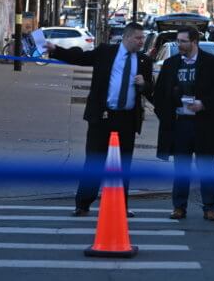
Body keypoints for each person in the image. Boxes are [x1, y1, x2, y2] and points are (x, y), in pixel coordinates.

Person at [45, 22, 153, 217]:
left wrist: (144, 84)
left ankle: (121, 205)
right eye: (138, 38)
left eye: (142, 38)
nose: (141, 41)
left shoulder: (144, 61)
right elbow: (81, 58)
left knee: (123, 164)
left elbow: (150, 90)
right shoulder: (106, 52)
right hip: (102, 117)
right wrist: (56, 50)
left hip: (127, 119)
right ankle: (83, 203)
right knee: (95, 160)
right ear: (127, 37)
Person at [154, 26, 214, 221]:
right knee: (181, 168)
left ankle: (210, 207)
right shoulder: (171, 64)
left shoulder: (212, 63)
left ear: (194, 42)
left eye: (183, 41)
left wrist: (204, 104)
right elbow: (159, 94)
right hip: (180, 124)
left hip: (204, 124)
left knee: (206, 168)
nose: (180, 45)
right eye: (178, 41)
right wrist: (166, 115)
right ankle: (179, 207)